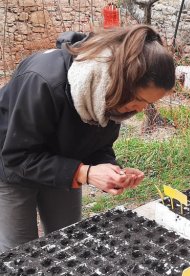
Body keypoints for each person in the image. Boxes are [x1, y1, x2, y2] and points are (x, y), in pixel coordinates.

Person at [0, 25, 175, 252]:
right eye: (141, 99)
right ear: (123, 82)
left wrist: (112, 171)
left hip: (64, 161)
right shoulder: (44, 81)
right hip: (10, 165)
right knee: (21, 252)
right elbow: (16, 158)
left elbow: (98, 144)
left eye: (149, 104)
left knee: (68, 240)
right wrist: (85, 173)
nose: (141, 109)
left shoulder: (111, 95)